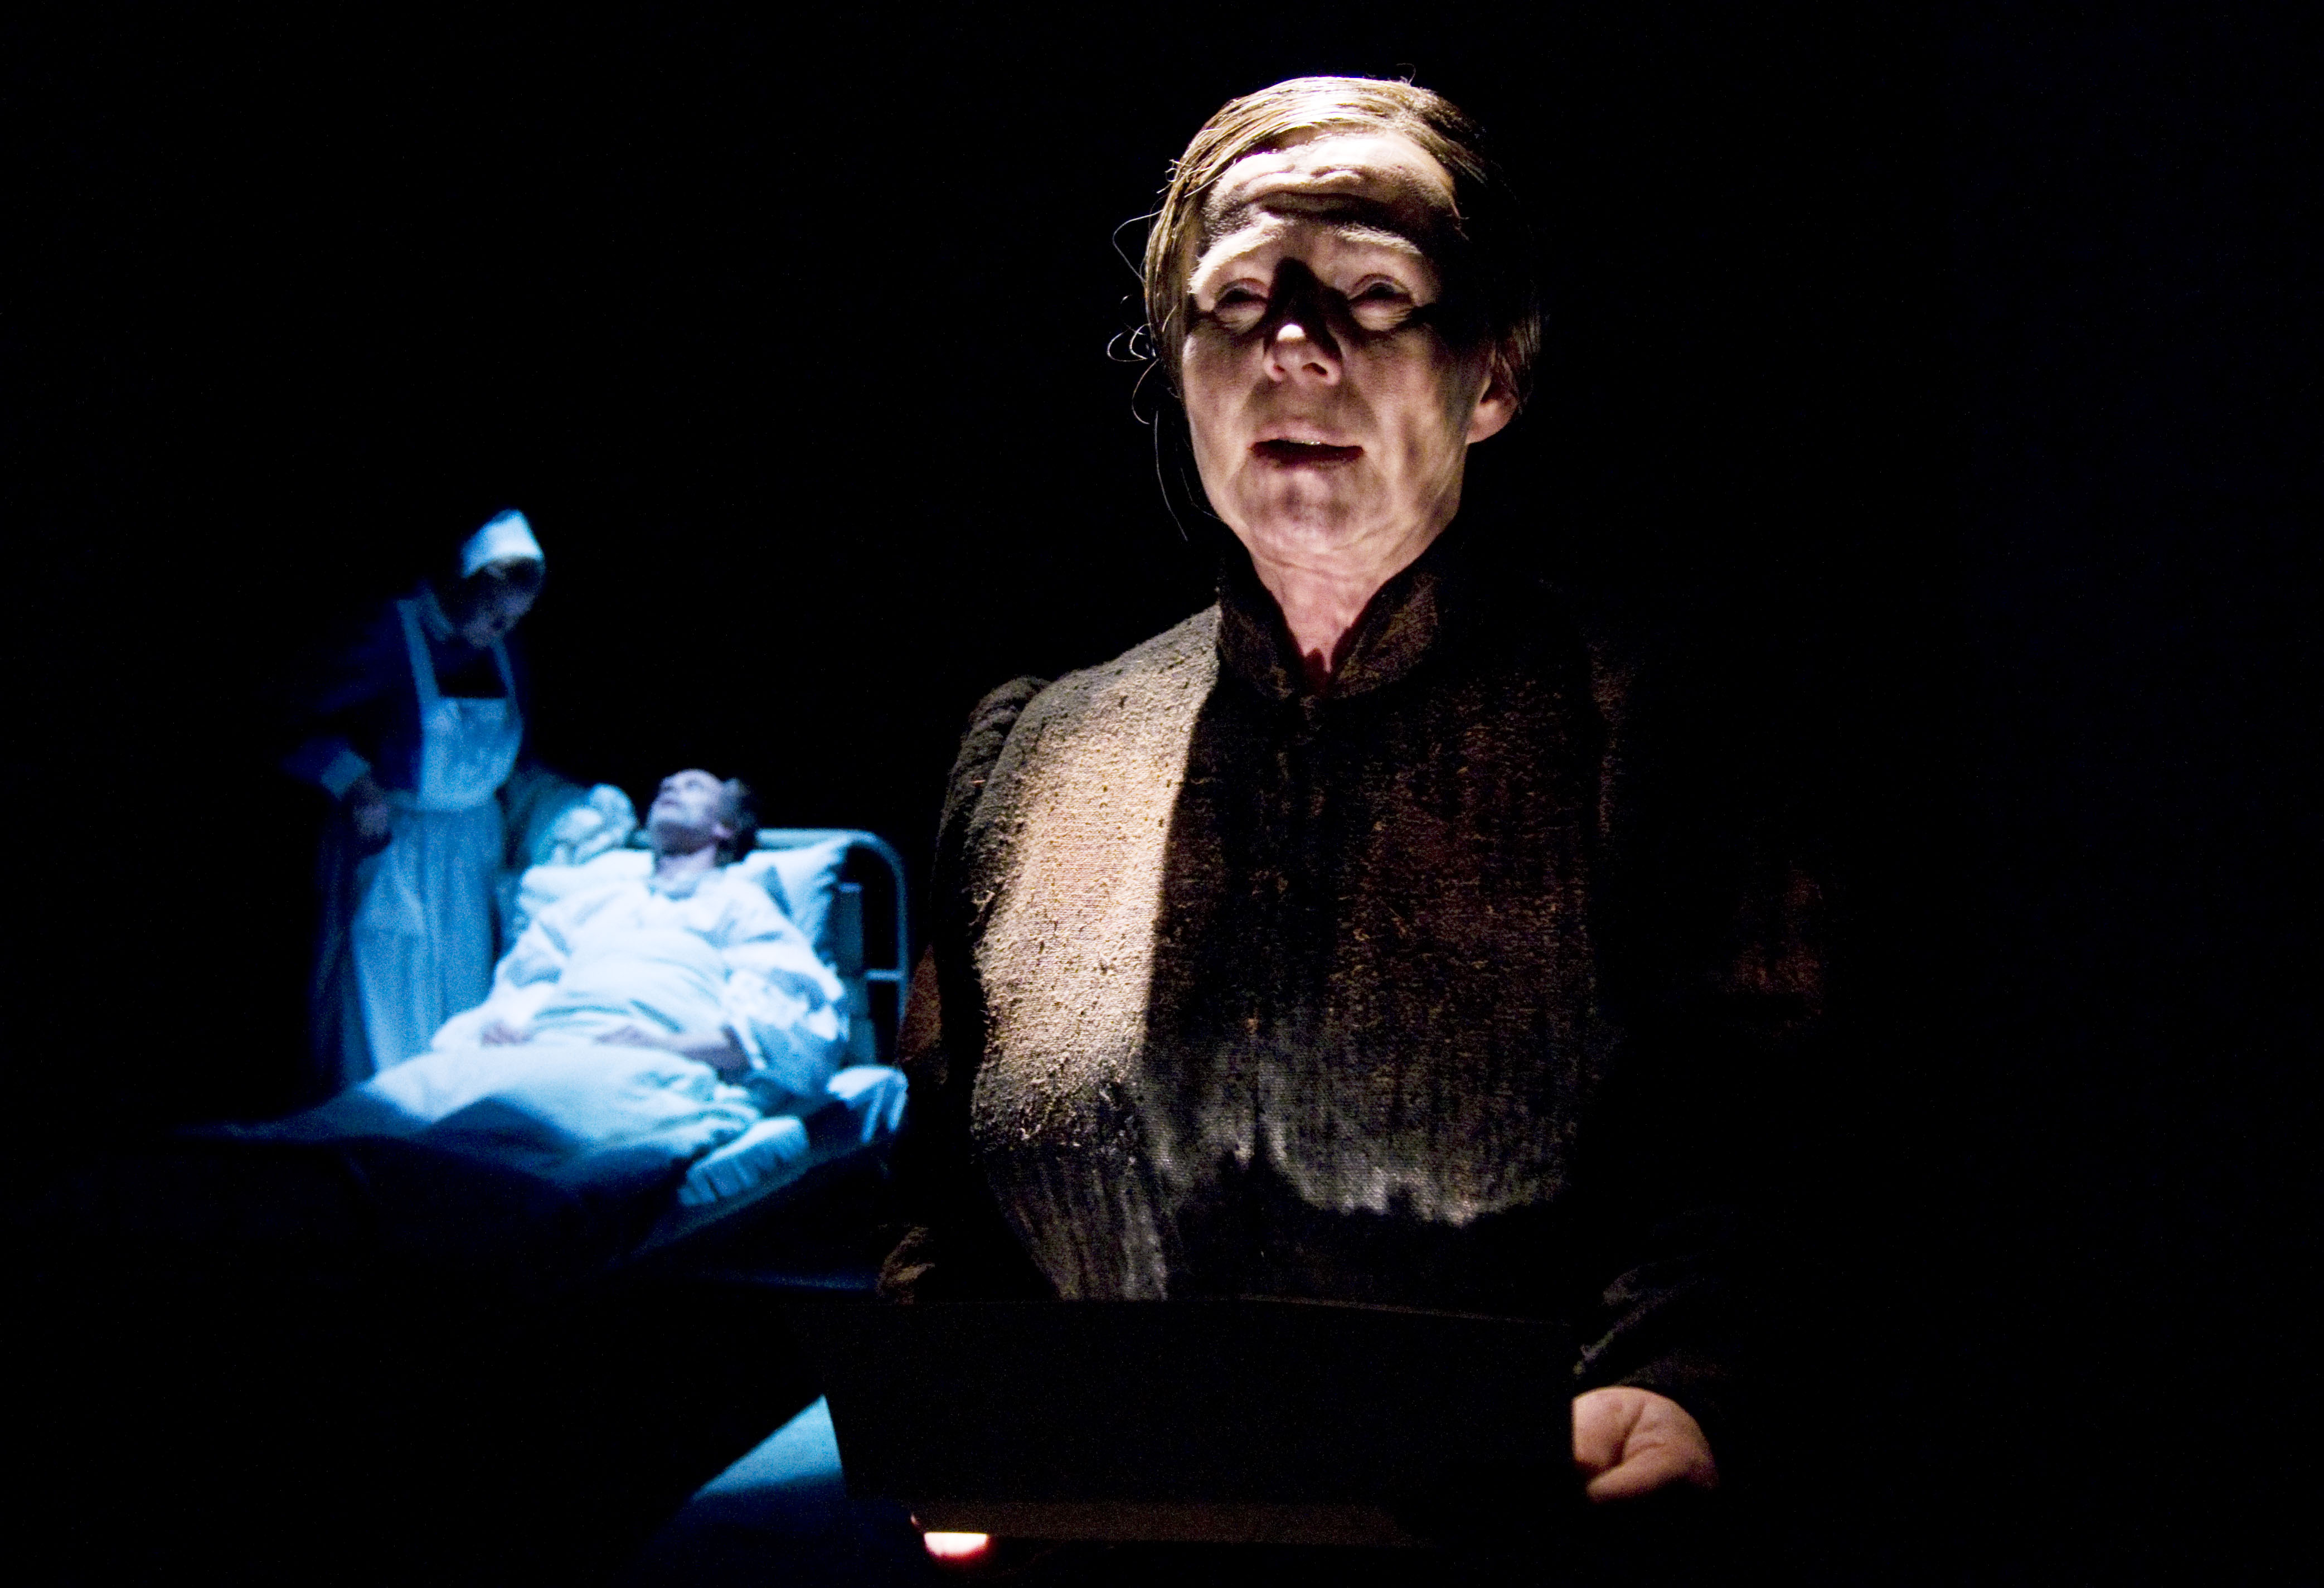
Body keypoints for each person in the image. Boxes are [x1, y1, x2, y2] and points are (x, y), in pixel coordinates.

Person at [880, 74, 1825, 1537]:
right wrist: (953, 1413)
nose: (1294, 346)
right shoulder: (1036, 753)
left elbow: (1765, 1141)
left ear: (1493, 374)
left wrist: (1684, 1377)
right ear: (1179, 363)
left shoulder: (1647, 727)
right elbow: (947, 1203)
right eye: (1237, 297)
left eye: (1374, 294)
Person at [281, 509, 547, 1087]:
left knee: (461, 997)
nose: (503, 628)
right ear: (463, 585)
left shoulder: (504, 650)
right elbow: (287, 717)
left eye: (516, 619)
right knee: (385, 1000)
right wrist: (354, 781)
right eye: (494, 612)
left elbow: (519, 754)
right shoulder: (390, 632)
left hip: (473, 850)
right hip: (397, 842)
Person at [439, 768, 846, 1103]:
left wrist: (664, 1046)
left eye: (692, 786)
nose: (669, 789)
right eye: (665, 786)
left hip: (647, 1063)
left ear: (725, 827)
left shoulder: (741, 905)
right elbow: (527, 981)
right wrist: (507, 1024)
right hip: (539, 1049)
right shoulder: (587, 906)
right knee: (419, 1095)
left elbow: (785, 1031)